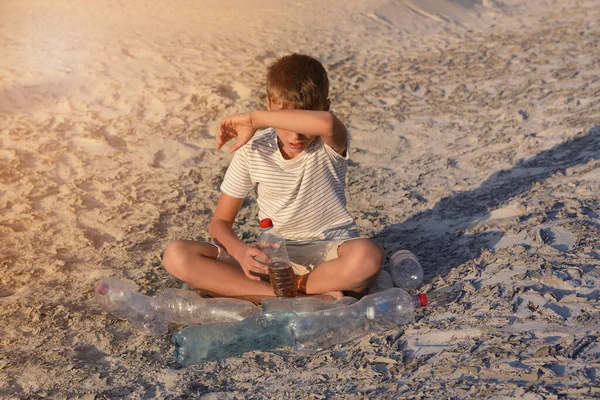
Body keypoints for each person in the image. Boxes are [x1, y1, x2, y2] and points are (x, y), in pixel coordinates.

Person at [163, 53, 384, 303]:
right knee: (177, 255)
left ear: (325, 106)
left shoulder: (328, 145)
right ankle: (297, 298)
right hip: (275, 261)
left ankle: (282, 294)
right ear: (269, 105)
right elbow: (220, 222)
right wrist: (240, 251)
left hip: (331, 257)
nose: (296, 136)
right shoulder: (252, 150)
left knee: (368, 257)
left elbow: (327, 123)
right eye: (286, 122)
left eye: (303, 124)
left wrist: (253, 119)